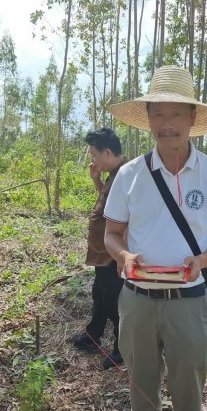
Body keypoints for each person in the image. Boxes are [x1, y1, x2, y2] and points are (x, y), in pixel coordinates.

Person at [104, 66, 207, 411]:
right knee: (140, 377)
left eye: (176, 115)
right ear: (148, 120)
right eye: (158, 115)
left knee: (188, 382)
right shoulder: (129, 176)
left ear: (193, 120)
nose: (167, 124)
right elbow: (111, 234)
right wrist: (123, 256)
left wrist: (201, 260)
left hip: (189, 299)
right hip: (138, 298)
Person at [72, 127, 126, 369]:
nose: (93, 160)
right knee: (101, 295)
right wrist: (97, 181)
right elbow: (110, 206)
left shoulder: (125, 176)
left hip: (114, 255)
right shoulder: (114, 176)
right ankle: (94, 336)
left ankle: (121, 349)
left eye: (94, 155)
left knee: (114, 301)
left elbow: (125, 218)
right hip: (103, 253)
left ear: (106, 153)